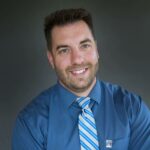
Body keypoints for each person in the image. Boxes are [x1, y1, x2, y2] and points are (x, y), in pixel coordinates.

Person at [12, 8, 150, 150]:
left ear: (96, 49)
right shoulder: (30, 124)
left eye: (84, 46)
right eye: (64, 50)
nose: (77, 59)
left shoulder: (132, 109)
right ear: (51, 59)